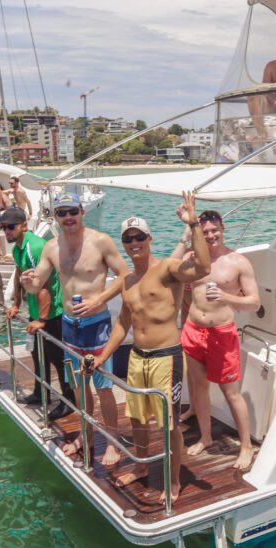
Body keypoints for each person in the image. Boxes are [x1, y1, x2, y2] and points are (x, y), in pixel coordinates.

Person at [91, 193, 210, 503]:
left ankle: (173, 481)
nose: (134, 242)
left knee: (168, 423)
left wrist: (193, 223)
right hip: (137, 358)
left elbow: (203, 268)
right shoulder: (128, 281)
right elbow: (122, 325)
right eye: (128, 238)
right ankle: (143, 467)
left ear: (149, 238)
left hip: (165, 358)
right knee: (138, 419)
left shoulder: (168, 269)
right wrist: (101, 357)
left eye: (139, 236)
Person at [20, 192, 128, 466]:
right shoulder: (51, 247)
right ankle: (86, 433)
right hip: (70, 327)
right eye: (61, 213)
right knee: (78, 386)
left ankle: (113, 442)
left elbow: (125, 275)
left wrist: (99, 300)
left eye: (72, 211)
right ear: (55, 217)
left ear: (82, 211)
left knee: (103, 388)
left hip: (97, 326)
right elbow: (37, 285)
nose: (68, 217)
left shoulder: (100, 241)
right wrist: (26, 282)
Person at [172, 209, 260, 470]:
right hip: (192, 329)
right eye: (205, 231)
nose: (210, 236)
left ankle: (246, 446)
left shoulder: (238, 261)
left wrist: (227, 298)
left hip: (221, 332)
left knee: (230, 392)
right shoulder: (192, 257)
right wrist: (186, 233)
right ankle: (206, 436)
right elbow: (169, 268)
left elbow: (254, 302)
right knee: (199, 388)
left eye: (214, 230)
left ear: (223, 228)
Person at [2, 206, 76, 420]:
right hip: (37, 313)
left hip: (52, 314)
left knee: (58, 358)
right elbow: (18, 274)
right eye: (3, 227)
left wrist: (42, 320)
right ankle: (40, 391)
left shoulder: (34, 248)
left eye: (11, 227)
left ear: (24, 225)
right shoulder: (18, 247)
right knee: (37, 354)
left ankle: (69, 400)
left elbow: (43, 286)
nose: (7, 231)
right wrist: (16, 304)